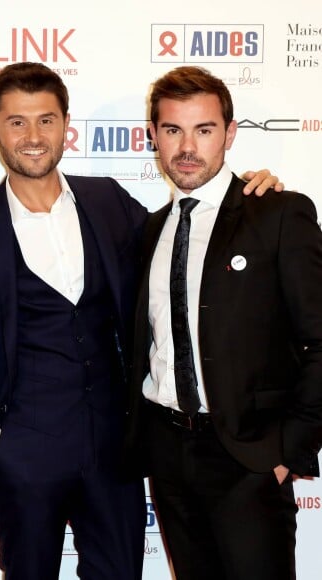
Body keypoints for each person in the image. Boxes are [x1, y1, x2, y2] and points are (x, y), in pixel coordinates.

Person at [0, 62, 281, 580]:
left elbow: (186, 244)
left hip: (114, 452)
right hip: (22, 454)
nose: (33, 137)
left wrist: (247, 196)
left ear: (67, 126)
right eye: (17, 122)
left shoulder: (110, 201)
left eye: (46, 120)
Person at [126, 65, 322, 580]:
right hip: (167, 455)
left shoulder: (278, 214)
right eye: (172, 130)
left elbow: (319, 342)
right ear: (154, 136)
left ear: (230, 134)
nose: (187, 146)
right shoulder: (149, 230)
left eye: (204, 129)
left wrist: (285, 452)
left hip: (249, 460)